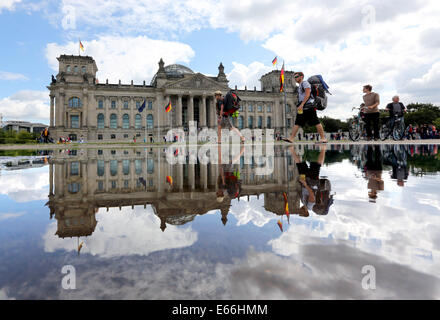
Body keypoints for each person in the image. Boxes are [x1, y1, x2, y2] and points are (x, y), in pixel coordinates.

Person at [283, 72, 327, 143]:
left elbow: (308, 94)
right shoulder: (300, 85)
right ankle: (291, 138)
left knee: (316, 122)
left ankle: (323, 138)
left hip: (309, 106)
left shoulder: (305, 83)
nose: (295, 78)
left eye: (296, 76)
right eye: (294, 77)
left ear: (301, 76)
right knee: (297, 122)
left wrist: (302, 104)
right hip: (303, 107)